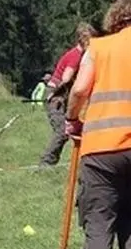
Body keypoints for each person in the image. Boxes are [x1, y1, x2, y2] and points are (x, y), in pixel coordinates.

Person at [65, 0, 131, 249]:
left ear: (113, 20)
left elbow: (79, 89)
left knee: (99, 220)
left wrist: (73, 119)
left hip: (103, 148)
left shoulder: (99, 49)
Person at [40, 23, 96, 168]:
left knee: (71, 130)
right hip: (56, 96)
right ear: (84, 41)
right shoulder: (76, 57)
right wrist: (53, 94)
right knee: (62, 131)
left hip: (60, 96)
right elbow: (66, 78)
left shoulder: (76, 54)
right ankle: (46, 164)